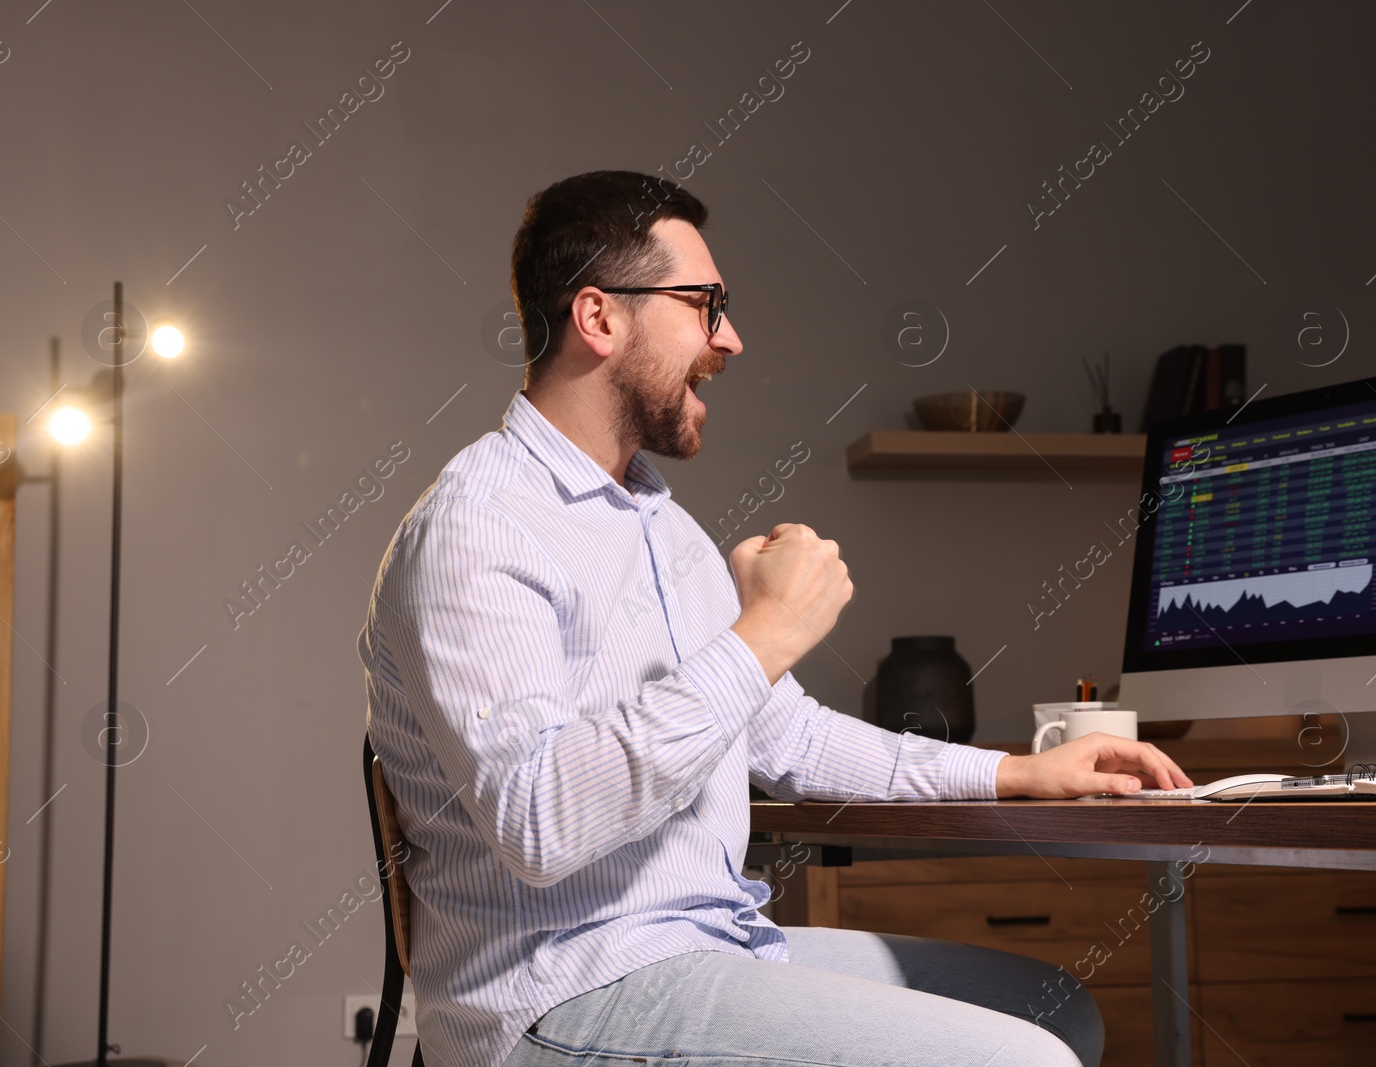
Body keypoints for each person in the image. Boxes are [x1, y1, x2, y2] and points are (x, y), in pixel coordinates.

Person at [358, 170, 1192, 1067]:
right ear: (598, 318)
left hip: (707, 942)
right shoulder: (477, 525)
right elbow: (537, 821)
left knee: (1055, 1008)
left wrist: (1018, 774)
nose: (732, 338)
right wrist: (765, 634)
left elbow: (794, 738)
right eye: (704, 304)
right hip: (558, 989)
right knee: (1019, 1062)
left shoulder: (661, 526)